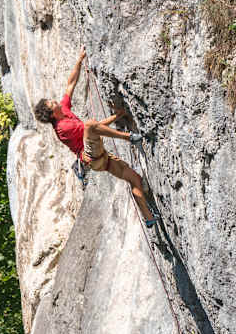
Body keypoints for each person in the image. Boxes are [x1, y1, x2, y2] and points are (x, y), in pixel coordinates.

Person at [33, 47, 159, 227]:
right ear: (51, 113)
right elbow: (93, 129)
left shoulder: (65, 110)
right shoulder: (63, 128)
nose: (54, 101)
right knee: (90, 124)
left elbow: (70, 84)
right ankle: (129, 137)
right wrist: (117, 117)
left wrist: (79, 59)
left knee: (134, 178)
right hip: (91, 157)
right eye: (51, 103)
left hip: (101, 158)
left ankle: (149, 218)